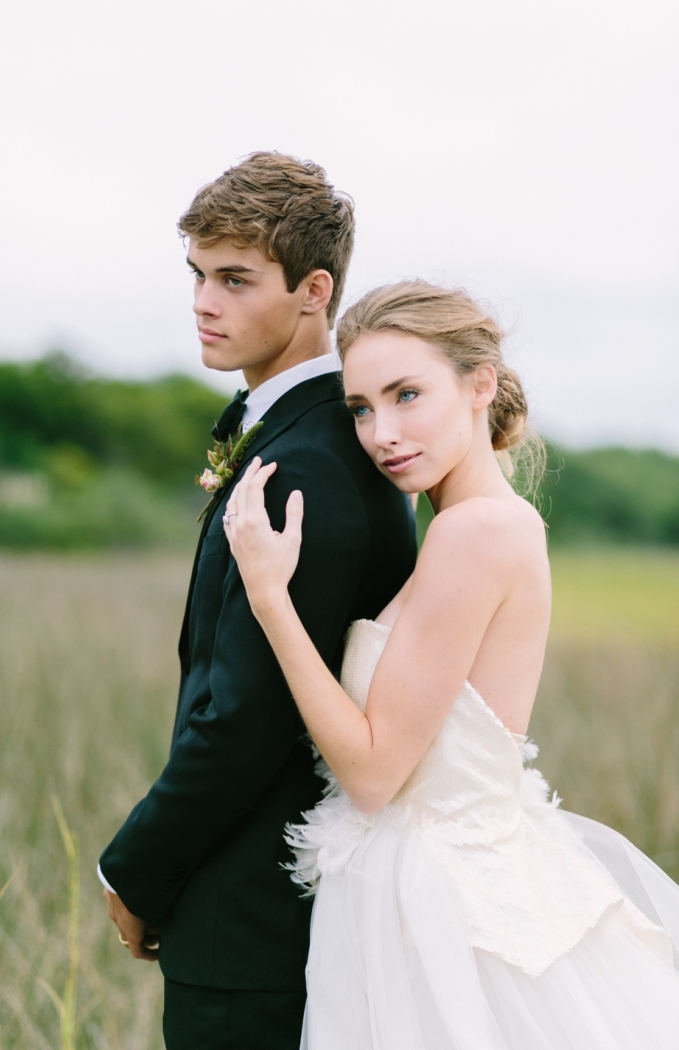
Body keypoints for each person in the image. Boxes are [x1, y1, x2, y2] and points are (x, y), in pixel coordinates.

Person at [224, 279, 679, 1049]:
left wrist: (271, 598)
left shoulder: (475, 534)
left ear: (480, 386)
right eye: (362, 408)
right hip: (429, 887)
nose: (381, 433)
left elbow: (372, 775)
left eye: (407, 395)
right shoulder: (473, 525)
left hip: (440, 908)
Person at [97, 155, 416, 1050]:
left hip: (255, 924)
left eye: (235, 279)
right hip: (276, 910)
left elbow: (248, 714)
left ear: (314, 290)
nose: (204, 301)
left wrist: (134, 870)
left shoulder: (308, 468)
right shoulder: (303, 438)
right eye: (197, 275)